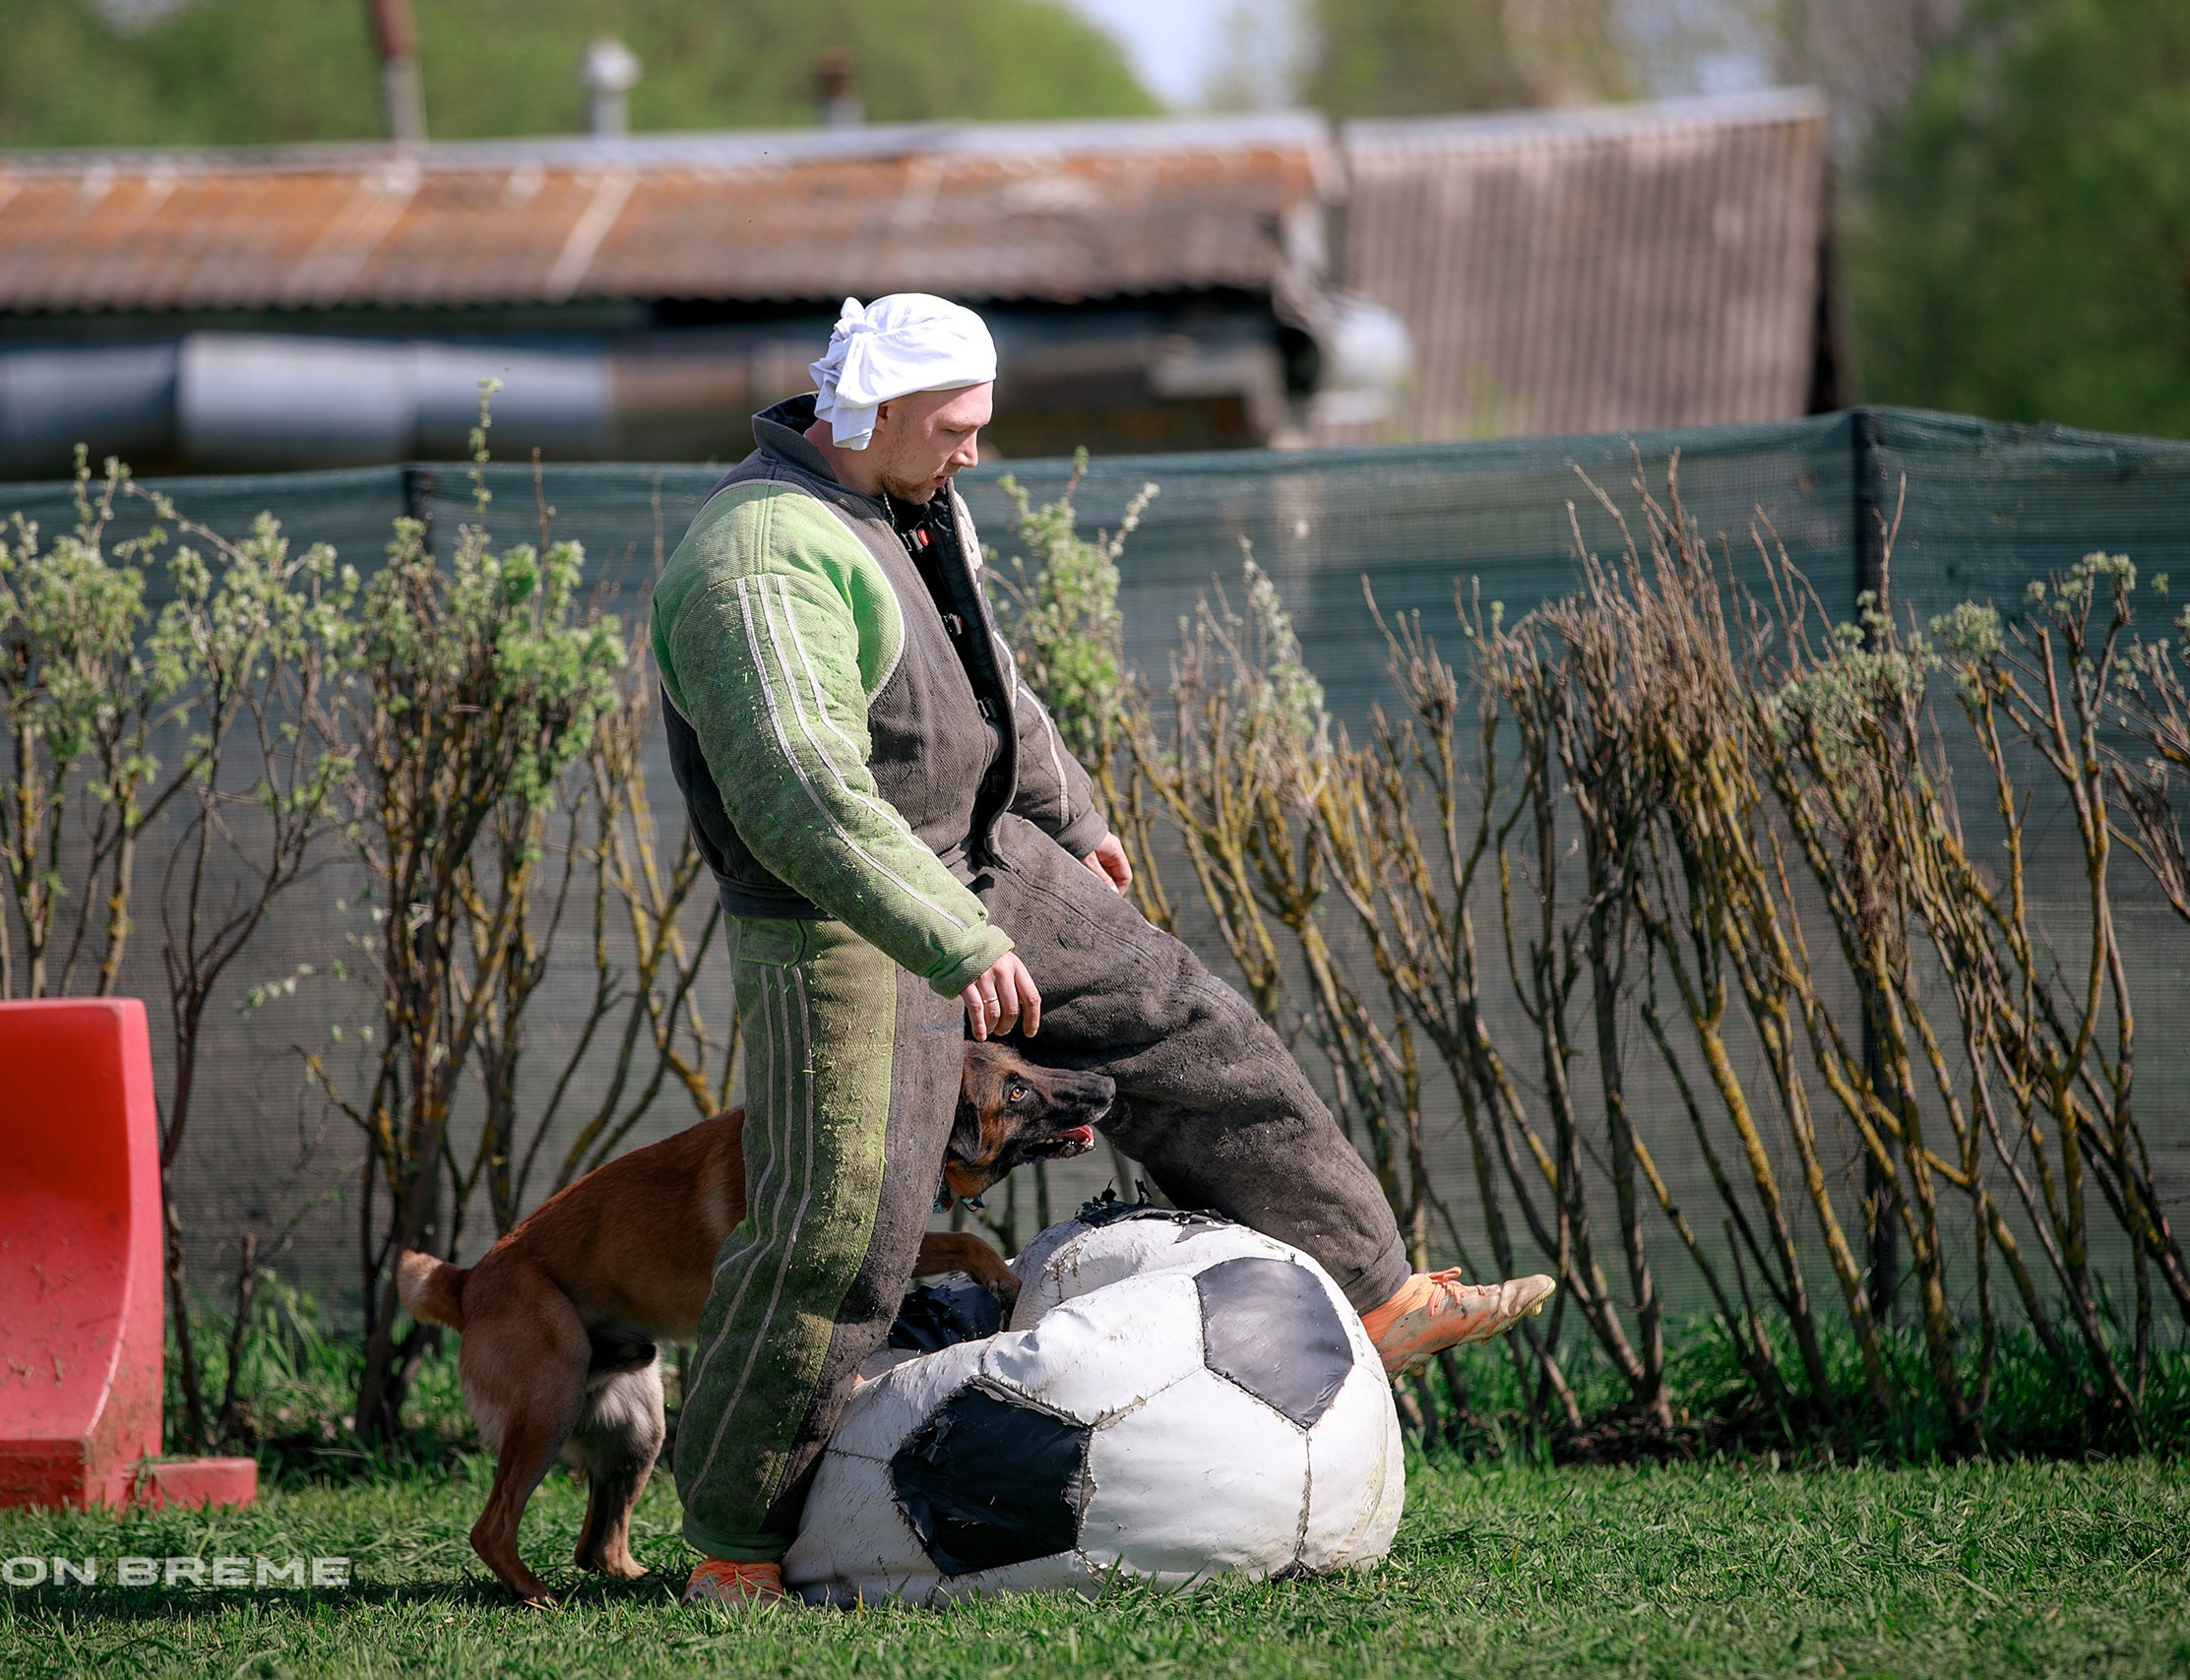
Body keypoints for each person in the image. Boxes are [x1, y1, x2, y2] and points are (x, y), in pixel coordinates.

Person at [651, 294, 1554, 1605]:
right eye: (957, 429)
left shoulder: (914, 499)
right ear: (878, 413)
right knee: (845, 1221)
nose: (974, 453)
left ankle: (1371, 1298)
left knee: (1185, 1025)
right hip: (839, 910)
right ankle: (737, 1543)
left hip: (981, 853)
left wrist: (1072, 823)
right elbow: (801, 794)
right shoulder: (760, 558)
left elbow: (987, 675)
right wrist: (953, 937)